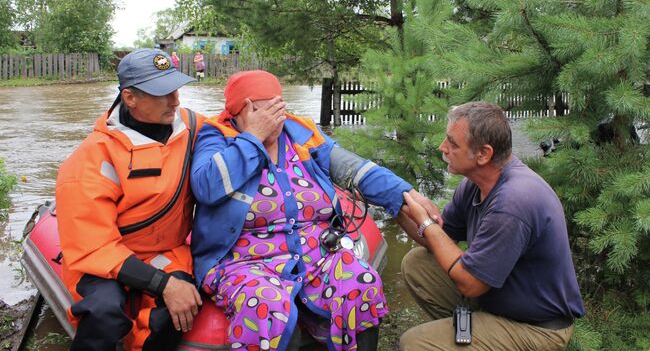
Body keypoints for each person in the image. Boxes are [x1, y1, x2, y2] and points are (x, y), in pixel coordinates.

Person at [190, 70, 423, 351]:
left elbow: (351, 167)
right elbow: (206, 186)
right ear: (238, 112)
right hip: (245, 259)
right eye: (260, 111)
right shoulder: (215, 136)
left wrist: (405, 193)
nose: (274, 119)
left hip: (315, 252)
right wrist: (253, 138)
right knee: (267, 305)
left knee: (361, 282)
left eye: (277, 107)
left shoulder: (302, 133)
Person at [397, 101, 585, 350]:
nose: (442, 147)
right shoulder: (477, 183)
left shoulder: (513, 201)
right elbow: (439, 237)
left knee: (414, 344)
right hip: (497, 300)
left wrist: (424, 222)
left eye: (453, 143)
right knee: (418, 263)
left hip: (535, 327)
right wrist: (395, 205)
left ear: (483, 154)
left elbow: (469, 283)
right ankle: (467, 338)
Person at [55, 48, 205, 351]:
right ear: (130, 98)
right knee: (104, 313)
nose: (174, 100)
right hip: (103, 259)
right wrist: (163, 285)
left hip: (166, 251)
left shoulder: (192, 127)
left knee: (175, 315)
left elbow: (237, 126)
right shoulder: (91, 159)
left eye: (175, 89)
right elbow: (93, 247)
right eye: (161, 93)